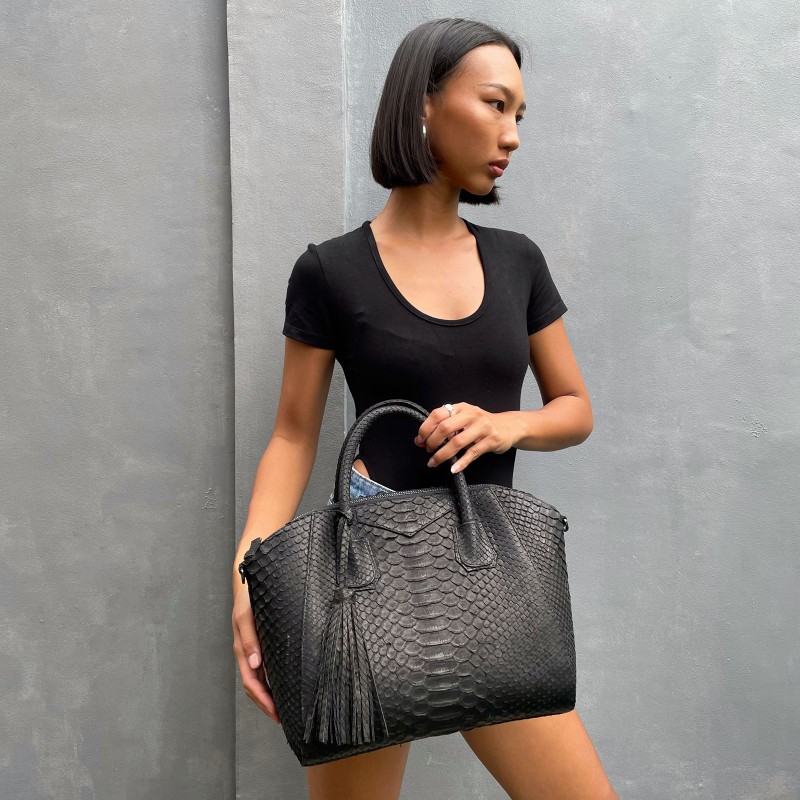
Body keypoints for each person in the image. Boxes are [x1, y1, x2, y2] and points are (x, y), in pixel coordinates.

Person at [232, 16, 618, 800]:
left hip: (492, 570)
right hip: (363, 581)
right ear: (423, 104)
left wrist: (506, 424)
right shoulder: (330, 271)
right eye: (495, 104)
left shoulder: (518, 261)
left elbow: (574, 407)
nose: (512, 134)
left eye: (519, 114)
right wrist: (248, 577)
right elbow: (293, 436)